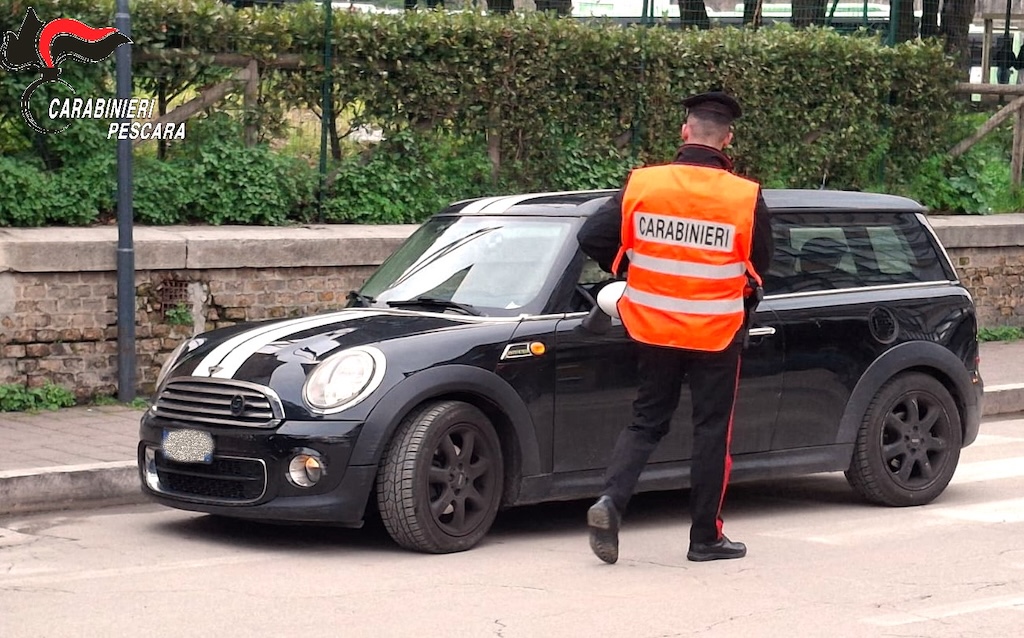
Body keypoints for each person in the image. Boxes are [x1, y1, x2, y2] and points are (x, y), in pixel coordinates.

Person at [576, 90, 773, 564]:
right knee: (711, 431)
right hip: (716, 334)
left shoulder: (642, 185)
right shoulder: (744, 196)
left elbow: (592, 236)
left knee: (646, 420)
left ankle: (610, 502)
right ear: (728, 140)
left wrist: (631, 270)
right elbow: (762, 266)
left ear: (685, 131)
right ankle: (704, 538)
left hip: (652, 328)